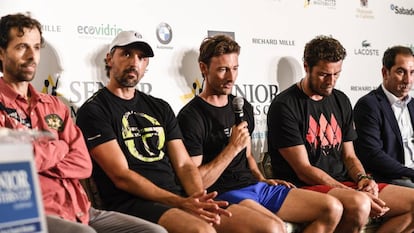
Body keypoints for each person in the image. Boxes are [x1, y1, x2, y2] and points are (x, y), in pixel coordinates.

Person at [76, 30, 287, 233]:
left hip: (177, 197)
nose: (134, 62)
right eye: (126, 54)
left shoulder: (160, 107)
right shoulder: (94, 110)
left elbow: (185, 165)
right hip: (132, 202)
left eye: (141, 57)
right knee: (202, 230)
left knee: (268, 228)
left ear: (146, 64)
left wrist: (198, 199)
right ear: (110, 59)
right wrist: (180, 202)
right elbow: (121, 176)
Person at [0, 13, 167, 233]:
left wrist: (39, 157)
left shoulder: (54, 105)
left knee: (155, 232)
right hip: (30, 213)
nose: (32, 56)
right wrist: (59, 147)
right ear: (1, 53)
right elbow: (10, 167)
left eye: (37, 47)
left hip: (81, 210)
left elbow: (83, 163)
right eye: (22, 47)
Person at [176, 34, 343, 233]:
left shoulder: (241, 107)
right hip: (222, 192)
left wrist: (261, 177)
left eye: (235, 68)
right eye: (222, 70)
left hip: (255, 187)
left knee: (332, 208)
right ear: (203, 68)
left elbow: (247, 157)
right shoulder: (191, 116)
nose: (231, 77)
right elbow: (196, 183)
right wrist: (231, 148)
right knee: (274, 228)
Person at [267, 35, 414, 233]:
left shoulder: (341, 100)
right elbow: (303, 169)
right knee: (360, 203)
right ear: (306, 67)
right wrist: (350, 191)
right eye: (324, 74)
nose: (331, 81)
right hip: (303, 188)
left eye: (337, 74)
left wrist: (363, 179)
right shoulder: (284, 106)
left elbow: (349, 155)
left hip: (343, 183)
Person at [354, 46, 414, 187]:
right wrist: (410, 172)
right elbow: (373, 155)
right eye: (401, 72)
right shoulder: (369, 105)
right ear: (385, 72)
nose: (408, 80)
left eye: (412, 73)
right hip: (389, 178)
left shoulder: (412, 105)